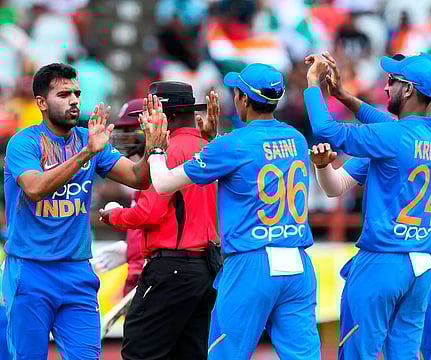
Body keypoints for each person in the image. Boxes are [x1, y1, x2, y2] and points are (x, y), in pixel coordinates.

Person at [303, 52, 431, 359]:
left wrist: (314, 85)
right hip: (420, 257)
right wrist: (344, 96)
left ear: (408, 90)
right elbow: (338, 184)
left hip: (417, 252)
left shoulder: (406, 138)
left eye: (392, 81)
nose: (385, 87)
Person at [142, 63, 321, 359]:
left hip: (252, 262)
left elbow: (162, 183)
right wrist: (213, 143)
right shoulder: (297, 139)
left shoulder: (234, 144)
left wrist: (156, 148)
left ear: (244, 99)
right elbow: (252, 165)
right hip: (298, 263)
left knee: (225, 354)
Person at [2, 63, 163, 359]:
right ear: (41, 102)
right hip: (29, 270)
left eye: (77, 93)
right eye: (64, 94)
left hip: (77, 271)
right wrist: (86, 153)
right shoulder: (23, 143)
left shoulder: (90, 141)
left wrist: (154, 147)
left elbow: (139, 178)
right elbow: (35, 188)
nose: (75, 100)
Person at [99, 81, 219, 360]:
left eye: (151, 110)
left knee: (140, 352)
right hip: (208, 267)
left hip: (171, 267)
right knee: (191, 352)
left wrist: (113, 216)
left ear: (167, 114)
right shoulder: (210, 147)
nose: (145, 121)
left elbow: (148, 213)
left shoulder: (167, 152)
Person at [93, 98, 146, 296]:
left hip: (149, 275)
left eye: (128, 130)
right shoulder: (142, 171)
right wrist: (130, 250)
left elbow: (153, 217)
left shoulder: (161, 169)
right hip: (140, 272)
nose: (123, 137)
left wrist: (116, 216)